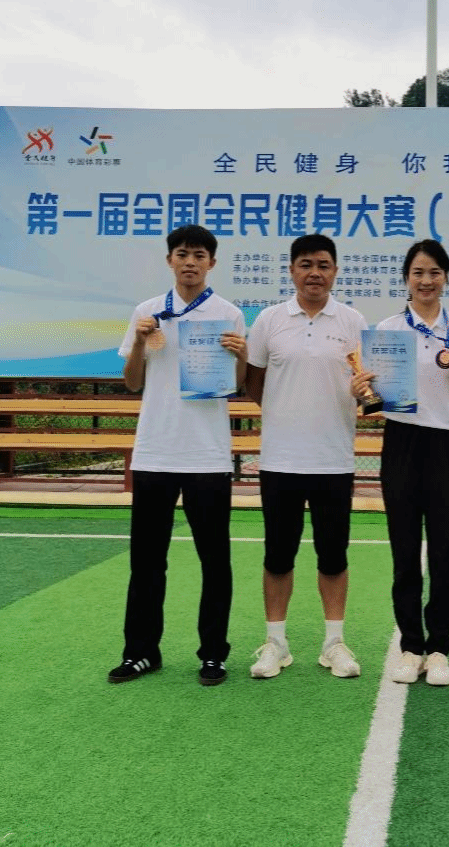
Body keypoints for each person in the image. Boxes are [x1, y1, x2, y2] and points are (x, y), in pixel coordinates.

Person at [107, 224, 247, 687]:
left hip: (207, 456)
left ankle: (214, 654)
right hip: (155, 452)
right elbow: (132, 383)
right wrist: (140, 344)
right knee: (147, 561)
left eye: (199, 255)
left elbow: (236, 385)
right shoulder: (146, 312)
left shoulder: (228, 314)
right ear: (170, 260)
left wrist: (241, 355)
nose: (190, 262)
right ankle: (141, 652)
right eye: (183, 254)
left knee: (215, 560)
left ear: (212, 263)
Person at [245, 234, 367, 680]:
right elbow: (254, 382)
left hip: (334, 459)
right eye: (305, 264)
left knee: (333, 556)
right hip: (281, 459)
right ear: (292, 270)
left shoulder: (353, 321)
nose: (314, 273)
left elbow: (365, 383)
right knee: (278, 555)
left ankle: (334, 643)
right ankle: (275, 643)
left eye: (323, 265)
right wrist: (286, 411)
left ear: (335, 271)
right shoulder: (269, 320)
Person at [360, 240, 449, 687]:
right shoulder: (388, 329)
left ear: (445, 277)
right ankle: (411, 646)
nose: (426, 281)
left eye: (434, 273)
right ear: (406, 279)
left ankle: (440, 648)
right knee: (405, 550)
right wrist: (362, 391)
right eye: (418, 273)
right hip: (402, 442)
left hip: (447, 442)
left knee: (445, 551)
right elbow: (374, 400)